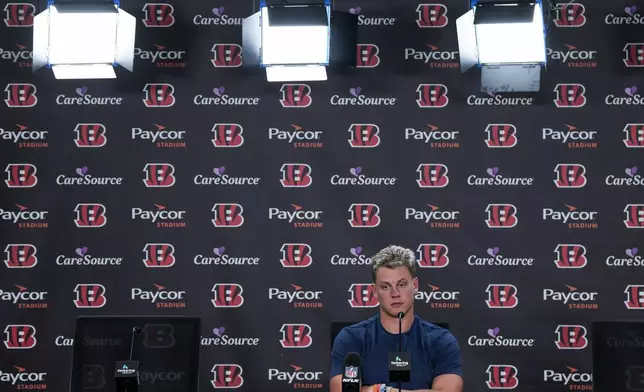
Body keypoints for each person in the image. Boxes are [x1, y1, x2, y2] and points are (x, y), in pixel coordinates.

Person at [329, 245, 463, 392]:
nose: (395, 293)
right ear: (374, 291)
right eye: (386, 287)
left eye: (402, 284)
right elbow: (343, 390)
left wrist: (378, 390)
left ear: (415, 285)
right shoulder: (350, 338)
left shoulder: (441, 340)